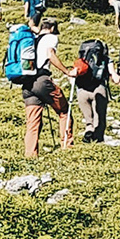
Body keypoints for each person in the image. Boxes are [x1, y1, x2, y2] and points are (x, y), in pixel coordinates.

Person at [23, 17, 74, 156]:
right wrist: (67, 72)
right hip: (42, 80)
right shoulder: (51, 37)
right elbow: (50, 54)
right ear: (52, 28)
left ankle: (30, 156)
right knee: (64, 111)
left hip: (27, 84)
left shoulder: (31, 38)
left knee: (33, 123)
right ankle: (67, 147)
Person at [72, 37, 111, 143]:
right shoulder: (106, 59)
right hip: (99, 89)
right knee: (99, 118)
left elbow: (74, 73)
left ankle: (89, 130)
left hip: (82, 91)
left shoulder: (82, 59)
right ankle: (98, 141)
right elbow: (113, 75)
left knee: (89, 119)